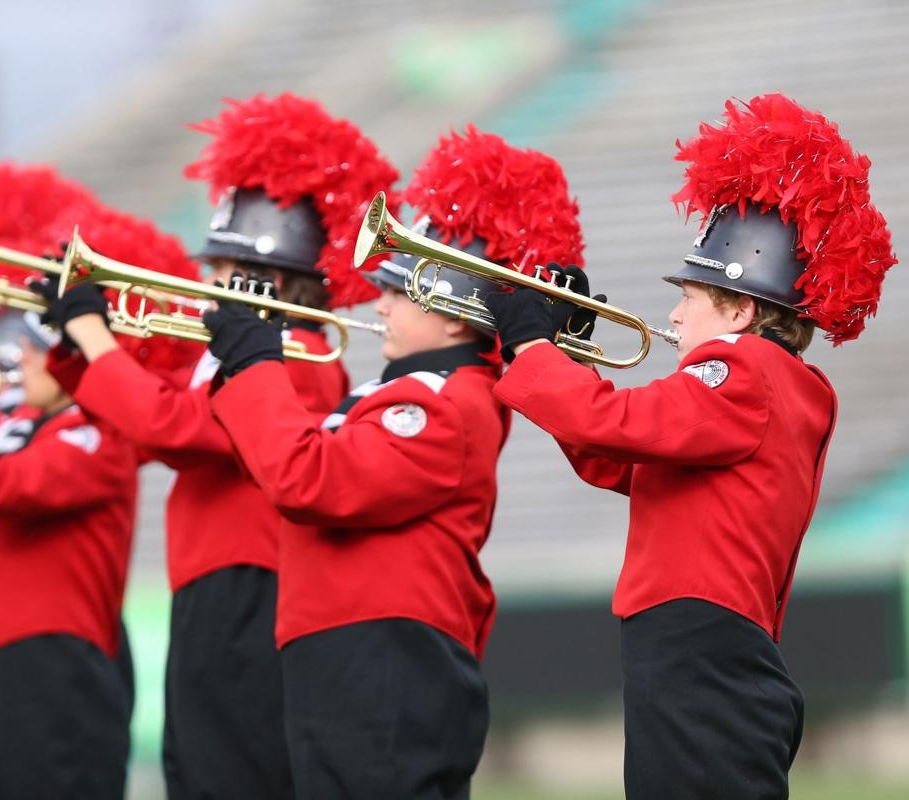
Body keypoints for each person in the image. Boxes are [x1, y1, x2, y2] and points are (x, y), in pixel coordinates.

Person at [485, 93, 897, 799]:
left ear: (740, 311)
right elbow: (614, 458)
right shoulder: (755, 387)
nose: (673, 314)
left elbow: (614, 426)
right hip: (692, 646)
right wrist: (569, 353)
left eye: (692, 297)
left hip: (702, 646)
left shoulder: (746, 369)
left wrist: (529, 344)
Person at [200, 125, 584, 799]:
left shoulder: (444, 404)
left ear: (459, 315)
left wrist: (255, 363)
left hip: (386, 659)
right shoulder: (390, 391)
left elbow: (307, 478)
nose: (380, 301)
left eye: (403, 290)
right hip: (341, 655)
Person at [44, 92, 399, 799]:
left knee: (234, 775)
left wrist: (92, 339)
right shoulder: (244, 353)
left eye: (222, 271)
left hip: (254, 589)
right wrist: (77, 345)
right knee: (197, 772)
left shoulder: (299, 355)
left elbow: (173, 426)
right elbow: (148, 422)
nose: (204, 286)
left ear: (266, 280)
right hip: (210, 588)